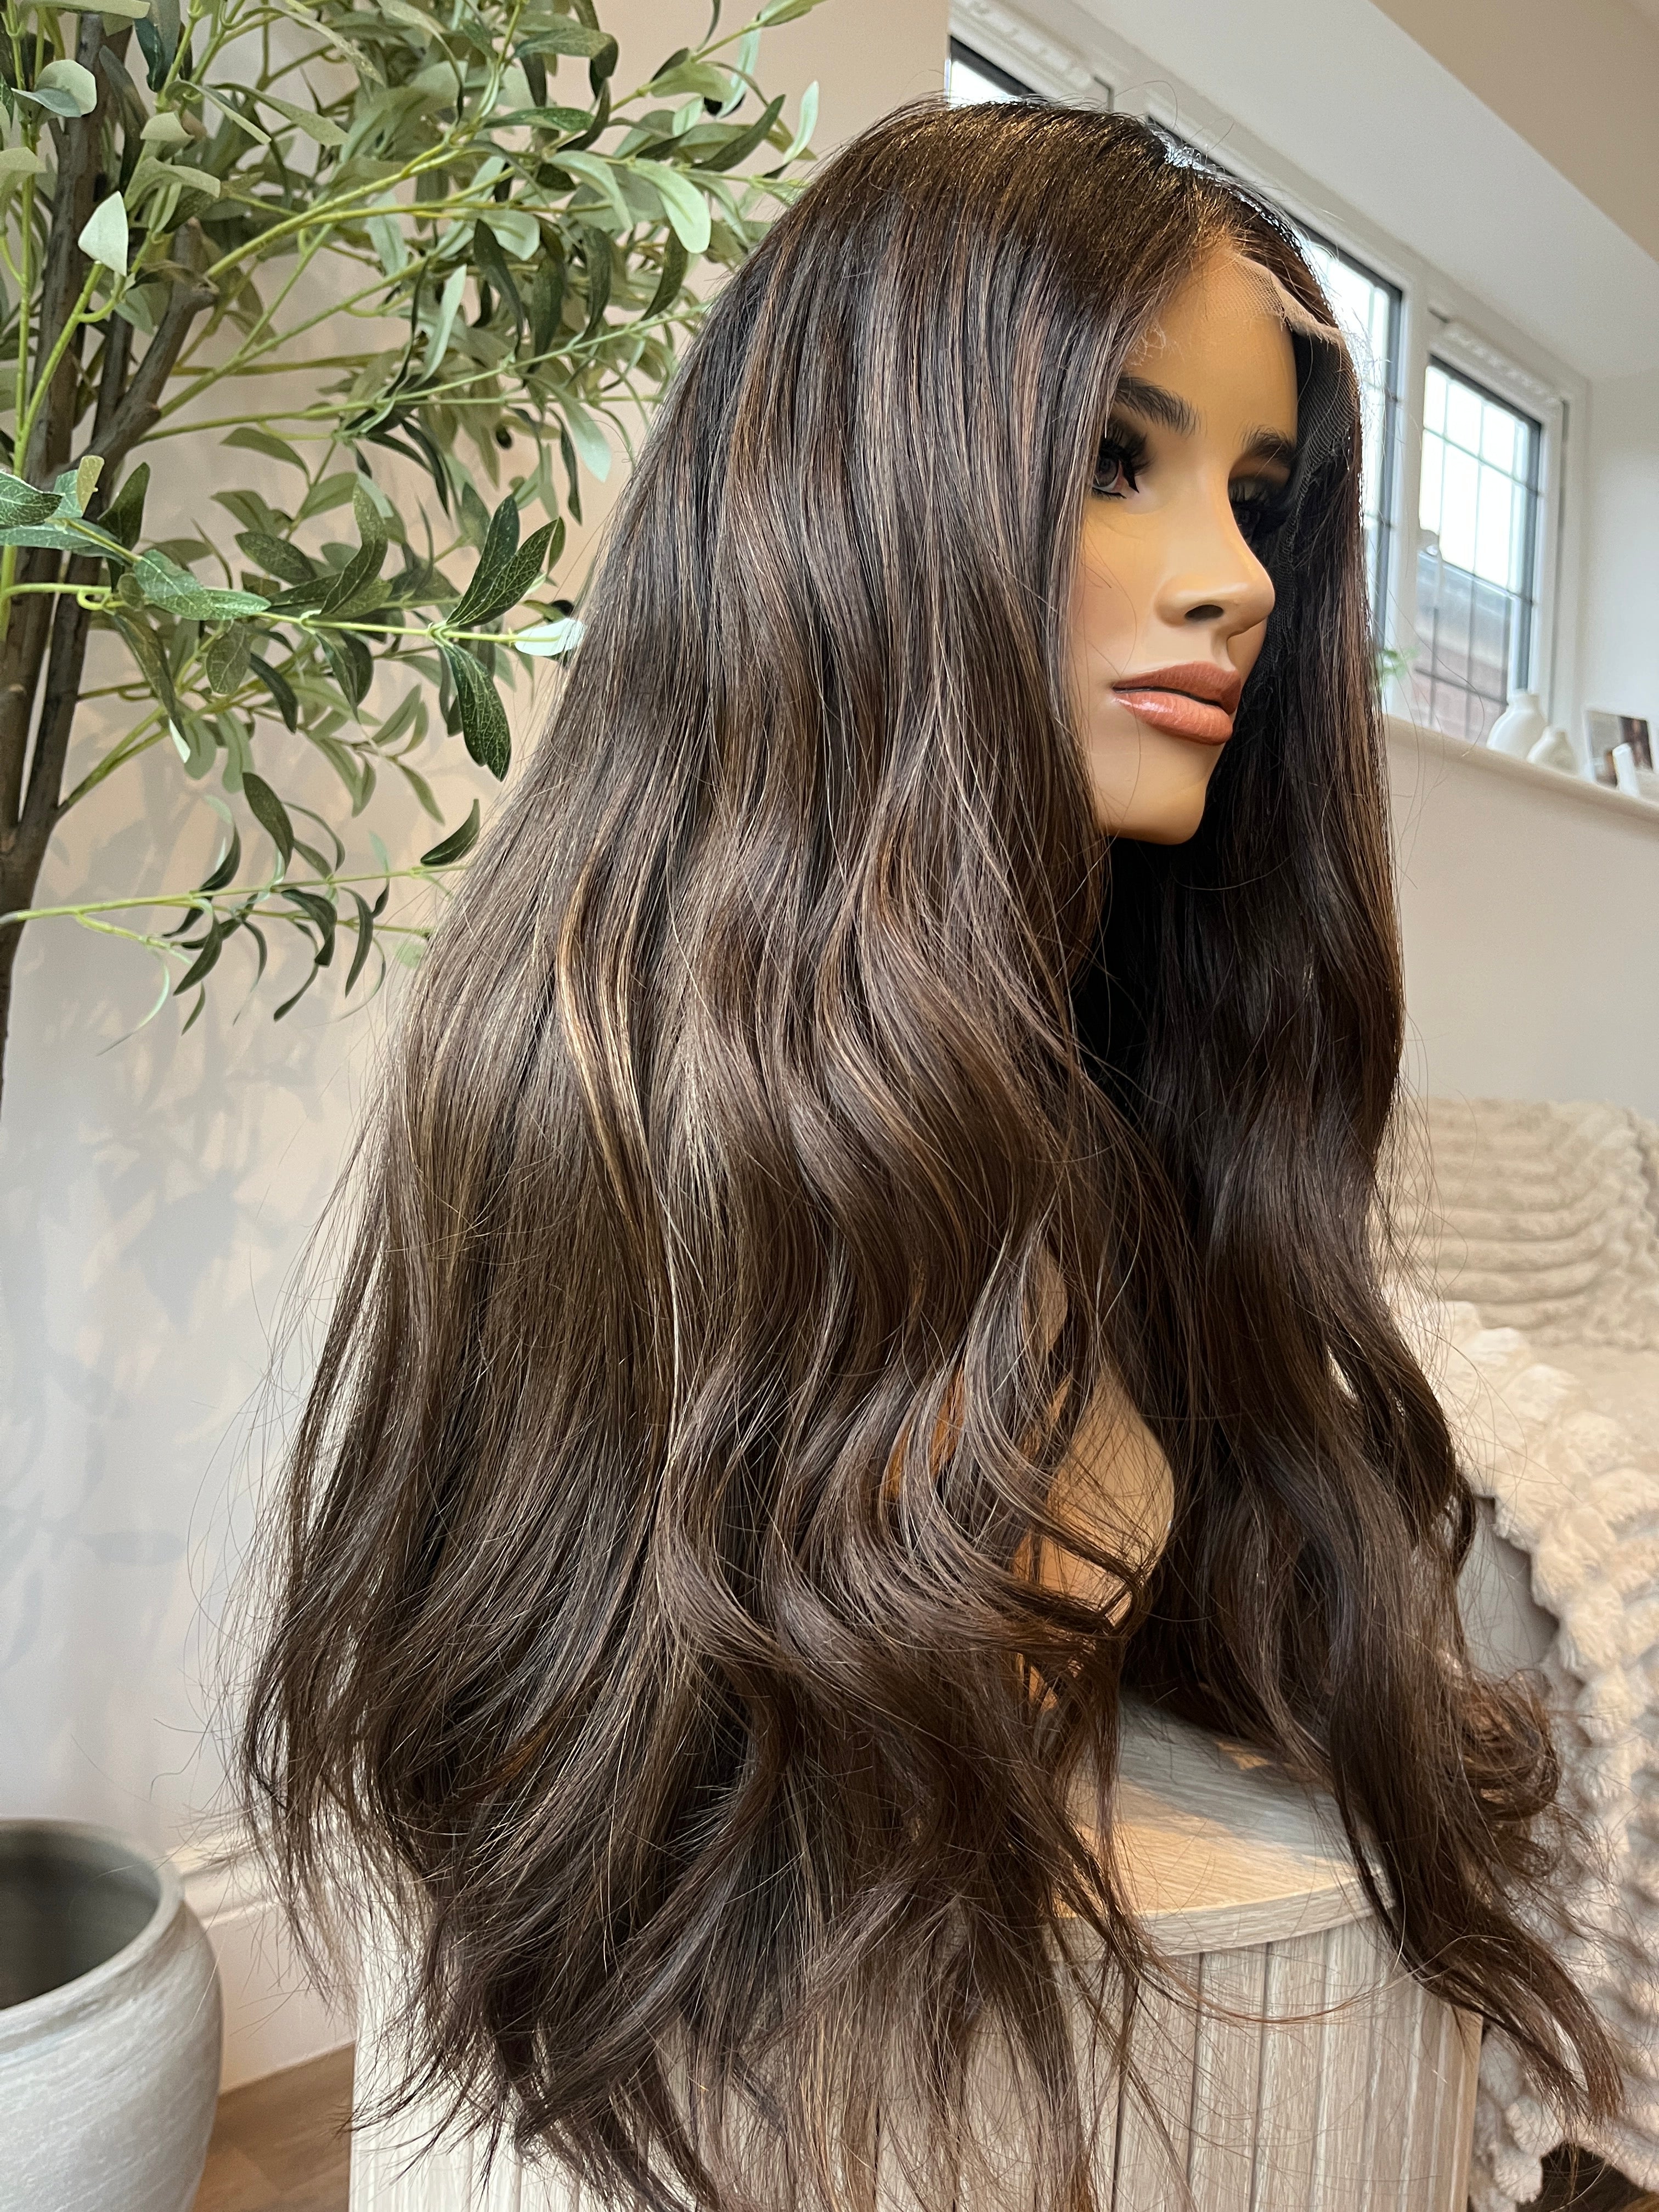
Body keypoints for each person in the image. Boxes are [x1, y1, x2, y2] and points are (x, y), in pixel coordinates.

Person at [241, 99, 1618, 2212]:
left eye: (1260, 497)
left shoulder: (1125, 1096)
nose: (1239, 579)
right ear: (856, 483)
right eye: (1116, 457)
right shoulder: (627, 1120)